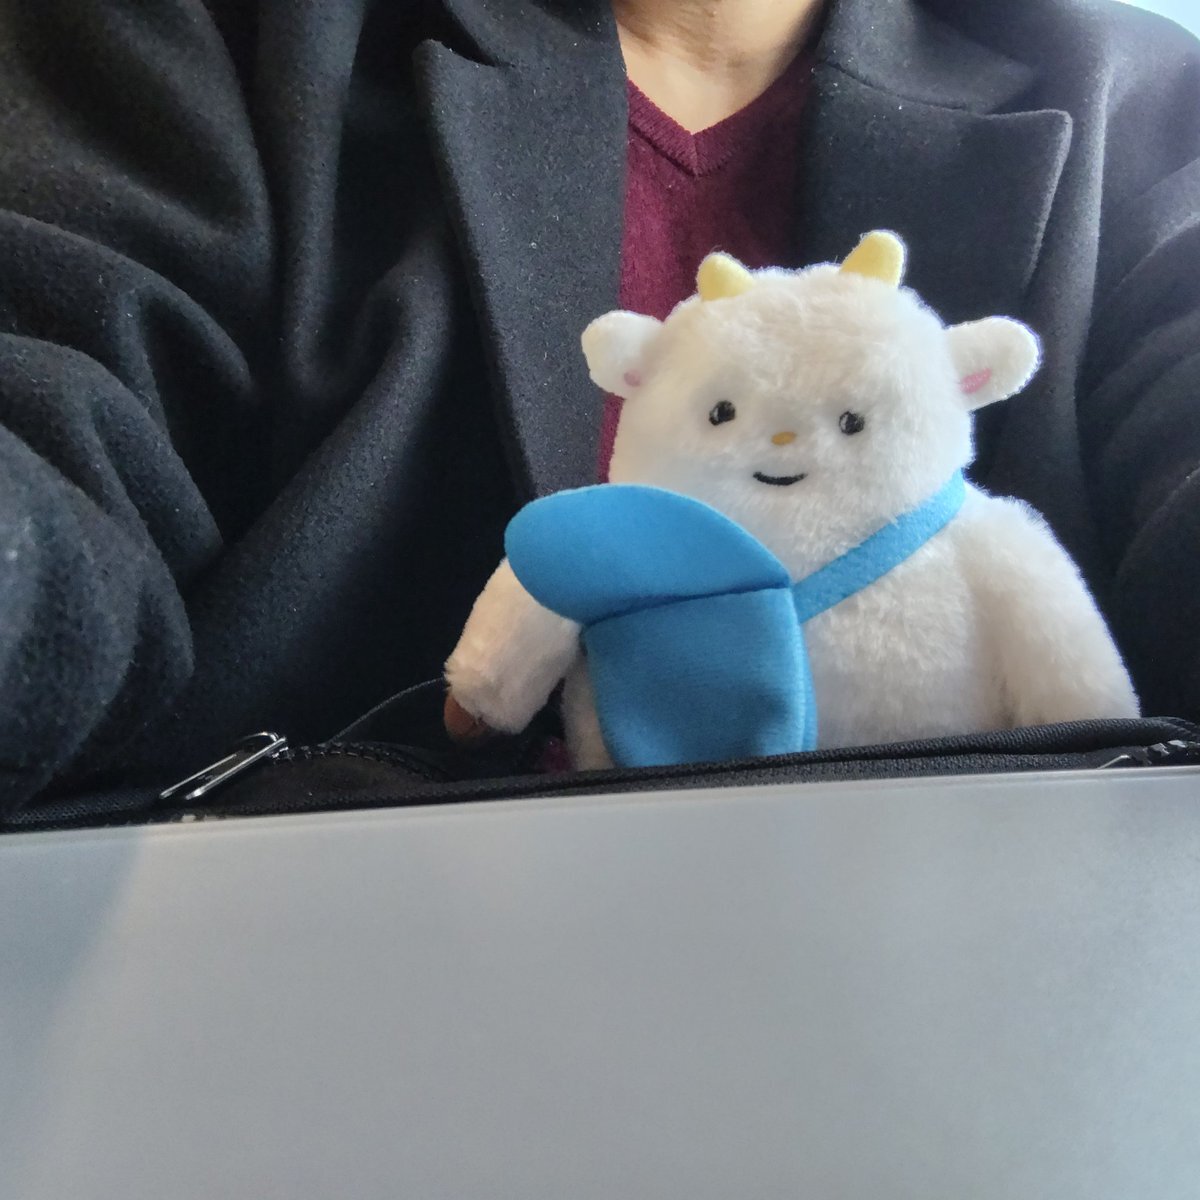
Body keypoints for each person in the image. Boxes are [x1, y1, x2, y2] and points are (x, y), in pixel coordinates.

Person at [0, 0, 1197, 814]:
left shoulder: (1139, 110)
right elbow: (46, 428)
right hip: (317, 989)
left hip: (964, 989)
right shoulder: (184, 42)